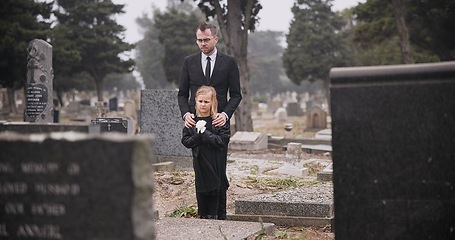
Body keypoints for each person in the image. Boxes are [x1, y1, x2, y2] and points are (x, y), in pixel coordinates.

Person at [178, 22, 242, 219]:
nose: (202, 43)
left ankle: (220, 217)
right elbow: (182, 94)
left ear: (215, 39)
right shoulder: (189, 62)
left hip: (218, 124)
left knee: (219, 170)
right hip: (195, 124)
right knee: (201, 171)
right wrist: (186, 114)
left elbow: (236, 95)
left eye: (206, 39)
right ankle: (202, 217)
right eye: (199, 40)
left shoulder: (229, 62)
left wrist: (225, 115)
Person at [181, 86, 230, 219]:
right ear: (195, 101)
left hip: (215, 163)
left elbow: (223, 140)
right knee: (202, 192)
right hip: (200, 163)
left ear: (213, 102)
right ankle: (202, 217)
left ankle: (215, 217)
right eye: (200, 101)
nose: (203, 105)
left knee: (216, 190)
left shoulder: (218, 121)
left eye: (206, 102)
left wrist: (206, 134)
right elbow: (186, 141)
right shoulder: (191, 122)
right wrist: (198, 136)